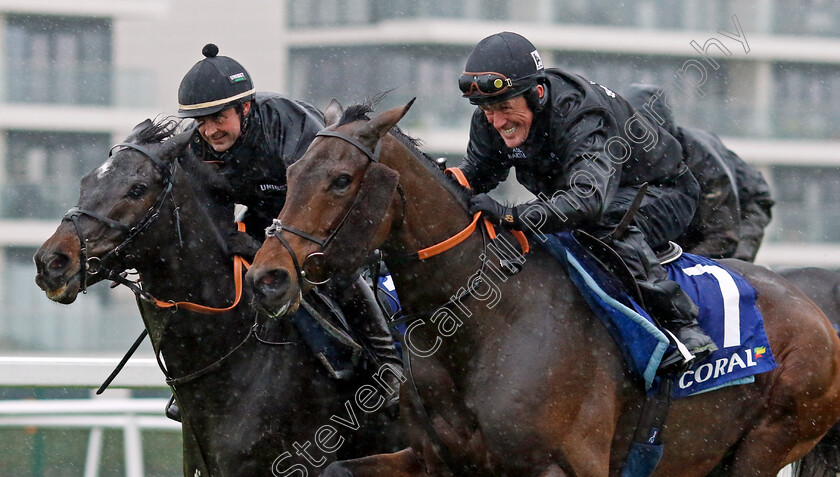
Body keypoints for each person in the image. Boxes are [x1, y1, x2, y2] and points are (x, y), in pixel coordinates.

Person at [457, 32, 717, 368]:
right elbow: (473, 178)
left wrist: (510, 216)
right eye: (488, 110)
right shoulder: (490, 118)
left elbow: (588, 201)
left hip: (662, 192)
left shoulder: (580, 112)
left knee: (598, 223)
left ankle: (683, 329)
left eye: (505, 108)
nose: (497, 122)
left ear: (536, 94)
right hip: (596, 196)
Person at [169, 44, 402, 418]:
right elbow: (205, 210)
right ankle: (204, 377)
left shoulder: (290, 126)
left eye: (218, 118)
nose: (209, 130)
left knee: (330, 267)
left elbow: (315, 200)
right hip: (268, 215)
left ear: (245, 108)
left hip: (319, 212)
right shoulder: (199, 144)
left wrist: (267, 241)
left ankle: (387, 362)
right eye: (201, 121)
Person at [623, 84, 774, 262]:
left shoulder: (702, 160)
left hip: (746, 203)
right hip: (693, 210)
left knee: (731, 266)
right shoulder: (625, 153)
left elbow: (723, 237)